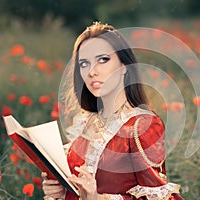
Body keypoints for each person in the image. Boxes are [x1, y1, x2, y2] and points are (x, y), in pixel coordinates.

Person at [42, 22, 184, 200]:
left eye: (103, 59)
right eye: (84, 63)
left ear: (124, 66)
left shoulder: (142, 126)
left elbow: (161, 197)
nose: (92, 71)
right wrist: (60, 192)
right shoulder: (85, 124)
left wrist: (97, 198)